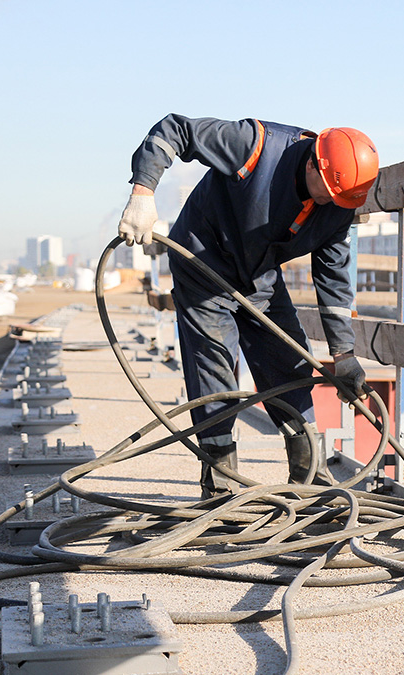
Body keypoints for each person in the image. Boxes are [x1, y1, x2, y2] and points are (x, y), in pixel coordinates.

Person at [116, 114, 377, 497]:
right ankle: (221, 486)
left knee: (289, 361)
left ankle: (310, 480)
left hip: (258, 274)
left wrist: (344, 355)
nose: (329, 204)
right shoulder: (255, 146)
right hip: (202, 262)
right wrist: (143, 192)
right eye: (327, 194)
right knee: (215, 366)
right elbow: (176, 129)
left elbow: (334, 279)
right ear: (312, 164)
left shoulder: (337, 205)